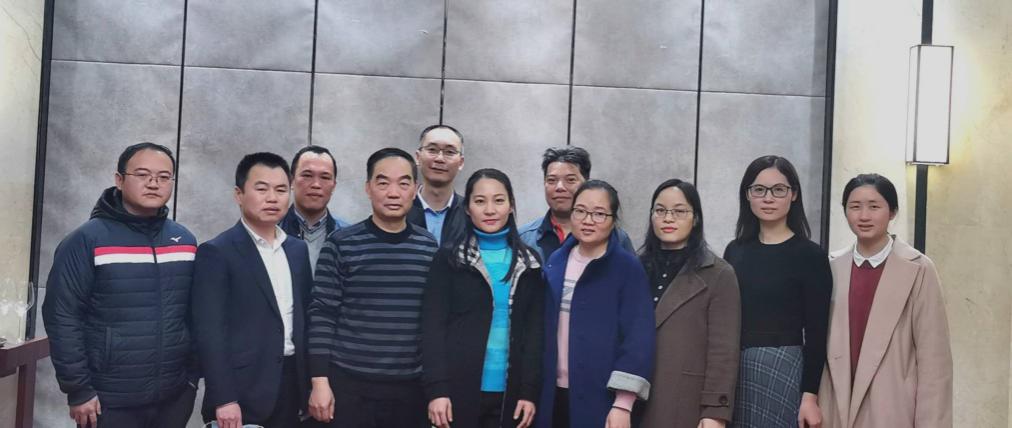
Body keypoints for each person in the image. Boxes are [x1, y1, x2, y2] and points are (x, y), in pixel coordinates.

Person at [42, 142, 198, 428]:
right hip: (108, 399)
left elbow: (195, 313)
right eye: (142, 175)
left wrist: (190, 380)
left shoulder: (184, 241)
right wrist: (79, 389)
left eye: (164, 177)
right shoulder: (87, 240)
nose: (154, 183)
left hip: (174, 396)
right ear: (119, 179)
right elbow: (62, 316)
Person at [307, 148, 438, 428]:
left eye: (403, 183)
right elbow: (322, 314)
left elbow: (434, 321)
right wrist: (319, 381)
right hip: (349, 387)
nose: (393, 193)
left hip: (411, 390)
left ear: (415, 189)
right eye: (383, 182)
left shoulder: (428, 247)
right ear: (368, 188)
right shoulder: (341, 243)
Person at [818, 174, 952, 428]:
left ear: (892, 212)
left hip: (893, 407)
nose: (864, 216)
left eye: (874, 206)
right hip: (835, 406)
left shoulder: (919, 269)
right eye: (855, 206)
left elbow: (934, 361)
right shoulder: (831, 266)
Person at [191, 152, 313, 428]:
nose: (272, 198)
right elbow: (209, 332)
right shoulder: (217, 252)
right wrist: (224, 397)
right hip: (242, 391)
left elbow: (304, 318)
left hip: (293, 386)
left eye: (281, 190)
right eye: (262, 189)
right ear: (239, 194)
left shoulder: (297, 250)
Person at [422, 168, 545, 428]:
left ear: (511, 205)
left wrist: (529, 392)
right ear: (467, 208)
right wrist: (437, 390)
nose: (490, 210)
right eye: (480, 201)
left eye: (499, 200)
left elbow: (535, 334)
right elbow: (432, 328)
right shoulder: (449, 259)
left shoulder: (529, 263)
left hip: (511, 394)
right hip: (457, 390)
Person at [534, 180, 655, 428]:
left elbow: (638, 339)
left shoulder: (627, 268)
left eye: (599, 214)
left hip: (602, 397)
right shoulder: (556, 261)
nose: (588, 220)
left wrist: (623, 403)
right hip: (551, 395)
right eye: (580, 211)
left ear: (613, 220)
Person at [723, 155, 832, 428]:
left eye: (779, 190)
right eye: (759, 190)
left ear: (793, 194)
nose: (768, 198)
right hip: (734, 368)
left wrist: (810, 396)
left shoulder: (811, 255)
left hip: (785, 365)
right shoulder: (734, 251)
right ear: (747, 195)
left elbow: (817, 332)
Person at [636, 179, 741, 428]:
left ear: (696, 219)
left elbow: (723, 352)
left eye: (679, 211)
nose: (668, 218)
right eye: (660, 210)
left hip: (683, 399)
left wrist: (715, 412)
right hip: (631, 396)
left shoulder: (718, 273)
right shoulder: (634, 267)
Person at [519, 146, 634, 262]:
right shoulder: (523, 239)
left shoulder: (617, 238)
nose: (559, 187)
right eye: (552, 180)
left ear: (586, 184)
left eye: (570, 180)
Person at [279, 145, 351, 271]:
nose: (316, 184)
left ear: (334, 186)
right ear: (291, 181)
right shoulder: (271, 231)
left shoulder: (350, 237)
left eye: (325, 177)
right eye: (307, 175)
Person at [408, 124, 466, 245]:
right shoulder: (401, 209)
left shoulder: (470, 212)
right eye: (432, 150)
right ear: (418, 157)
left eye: (449, 152)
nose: (439, 159)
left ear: (461, 162)